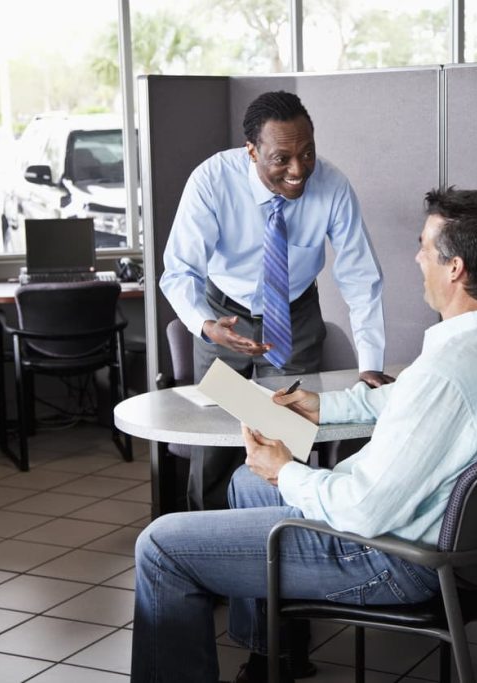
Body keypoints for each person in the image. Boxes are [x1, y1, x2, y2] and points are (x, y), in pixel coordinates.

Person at [132, 187, 477, 683]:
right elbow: (399, 399)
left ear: (454, 268)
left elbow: (363, 509)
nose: (416, 257)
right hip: (429, 541)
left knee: (160, 545)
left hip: (389, 556)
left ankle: (264, 649)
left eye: (424, 246)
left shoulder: (447, 374)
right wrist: (320, 405)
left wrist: (286, 470)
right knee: (247, 482)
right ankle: (273, 657)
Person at [160, 90, 393, 511]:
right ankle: (204, 543)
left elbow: (362, 278)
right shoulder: (213, 181)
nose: (298, 169)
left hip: (294, 314)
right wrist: (204, 324)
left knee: (287, 437)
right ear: (252, 151)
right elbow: (179, 270)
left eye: (307, 153)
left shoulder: (333, 185)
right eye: (281, 159)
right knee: (216, 442)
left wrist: (370, 364)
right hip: (222, 315)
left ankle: (276, 547)